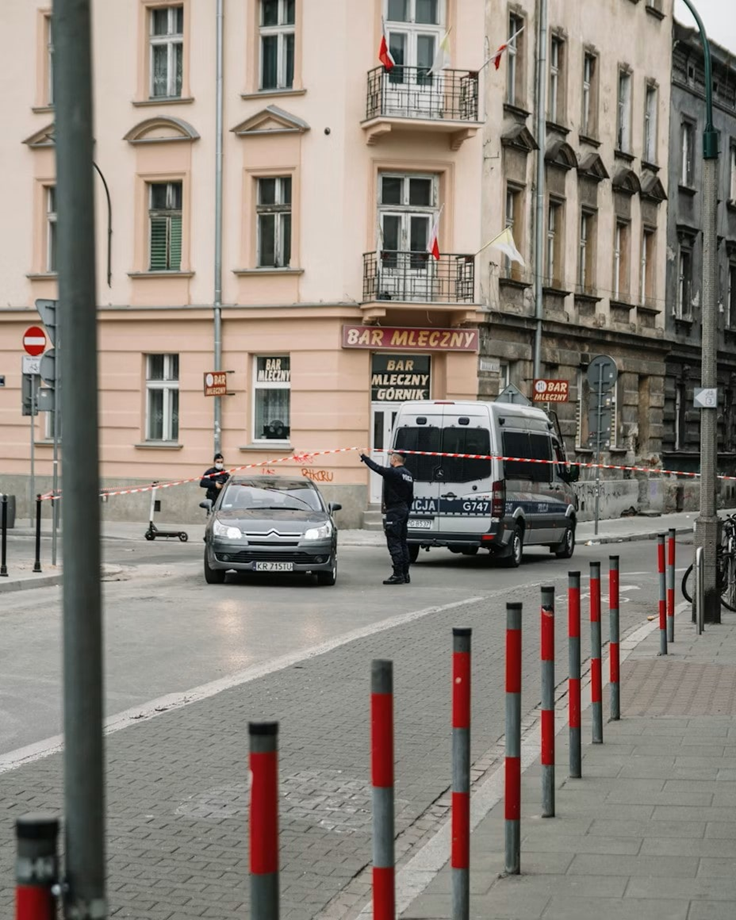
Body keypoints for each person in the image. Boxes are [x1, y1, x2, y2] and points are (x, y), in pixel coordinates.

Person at [359, 450, 414, 585]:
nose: (390, 461)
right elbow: (411, 496)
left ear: (394, 460)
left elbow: (377, 468)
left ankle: (398, 574)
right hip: (404, 509)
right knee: (402, 543)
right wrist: (406, 509)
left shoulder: (393, 473)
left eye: (391, 459)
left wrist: (364, 457)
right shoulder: (409, 475)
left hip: (395, 510)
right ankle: (405, 574)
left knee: (394, 542)